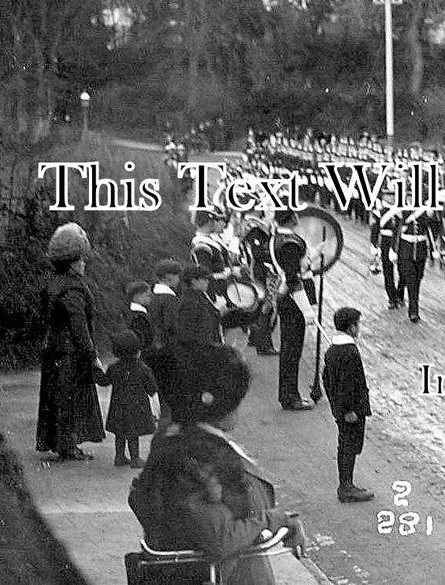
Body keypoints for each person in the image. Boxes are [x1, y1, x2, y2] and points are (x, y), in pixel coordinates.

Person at [130, 343, 305, 585]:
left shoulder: (177, 443)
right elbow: (221, 538)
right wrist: (277, 520)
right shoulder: (200, 458)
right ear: (223, 406)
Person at [36, 222, 106, 462]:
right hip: (70, 353)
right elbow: (79, 325)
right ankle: (68, 446)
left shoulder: (53, 282)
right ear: (74, 263)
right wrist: (92, 355)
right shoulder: (74, 288)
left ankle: (61, 443)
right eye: (81, 260)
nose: (84, 264)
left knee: (56, 398)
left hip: (53, 349)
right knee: (70, 399)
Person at [322, 307, 375, 503]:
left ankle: (346, 484)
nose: (358, 328)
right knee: (349, 446)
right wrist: (348, 409)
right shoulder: (350, 352)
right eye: (357, 325)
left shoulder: (332, 350)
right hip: (351, 410)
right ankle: (346, 486)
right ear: (351, 327)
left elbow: (326, 379)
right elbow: (348, 384)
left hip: (340, 408)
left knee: (345, 445)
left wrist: (336, 405)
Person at [272, 209, 314, 411]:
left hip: (290, 300)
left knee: (291, 349)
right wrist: (306, 309)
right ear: (291, 218)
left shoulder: (281, 237)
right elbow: (292, 278)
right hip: (293, 301)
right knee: (291, 350)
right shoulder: (289, 243)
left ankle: (289, 394)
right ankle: (290, 397)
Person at [97, 330, 157, 468]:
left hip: (118, 406)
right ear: (137, 350)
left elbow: (104, 381)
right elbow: (152, 389)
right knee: (133, 433)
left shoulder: (114, 368)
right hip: (136, 407)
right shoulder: (142, 368)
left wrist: (96, 369)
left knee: (120, 433)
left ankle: (119, 457)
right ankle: (135, 458)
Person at [239, 212, 279, 356]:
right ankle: (264, 344)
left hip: (257, 271)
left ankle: (255, 338)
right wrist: (275, 256)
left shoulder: (249, 226)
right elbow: (258, 254)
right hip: (262, 272)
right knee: (266, 308)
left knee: (260, 306)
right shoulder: (255, 229)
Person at [392, 200, 432, 324]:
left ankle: (404, 297)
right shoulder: (401, 207)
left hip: (420, 248)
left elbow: (431, 229)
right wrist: (394, 249)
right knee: (411, 279)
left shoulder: (426, 208)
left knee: (418, 278)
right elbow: (396, 229)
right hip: (406, 248)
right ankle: (413, 311)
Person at [175, 265, 224, 347]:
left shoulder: (201, 297)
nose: (207, 282)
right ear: (194, 281)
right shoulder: (189, 303)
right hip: (201, 348)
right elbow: (188, 333)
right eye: (204, 279)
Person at [126, 281, 154, 354]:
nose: (150, 298)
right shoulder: (139, 317)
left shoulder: (130, 314)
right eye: (147, 295)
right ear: (137, 296)